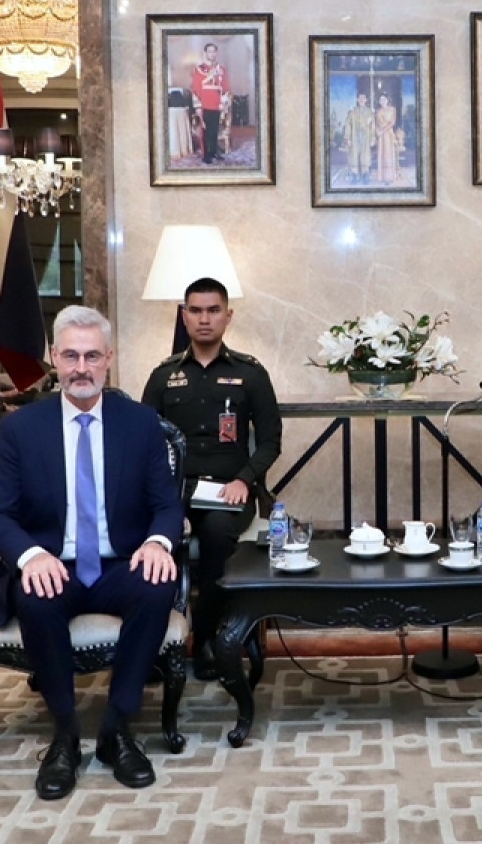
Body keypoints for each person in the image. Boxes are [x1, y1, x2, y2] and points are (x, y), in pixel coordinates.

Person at [0, 305, 182, 801]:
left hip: (120, 562)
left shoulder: (140, 424)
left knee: (158, 585)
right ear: (54, 357)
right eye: (71, 355)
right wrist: (30, 555)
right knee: (37, 596)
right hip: (53, 563)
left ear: (109, 358)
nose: (81, 368)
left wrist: (158, 542)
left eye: (92, 356)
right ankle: (65, 736)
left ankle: (117, 729)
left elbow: (166, 505)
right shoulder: (23, 429)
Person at [141, 277, 281, 681]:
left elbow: (270, 442)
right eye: (196, 311)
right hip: (174, 491)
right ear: (184, 316)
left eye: (213, 310)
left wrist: (244, 481)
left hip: (229, 490)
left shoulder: (250, 374)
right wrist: (166, 501)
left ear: (228, 316)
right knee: (153, 536)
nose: (205, 319)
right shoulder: (164, 375)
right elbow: (145, 443)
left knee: (218, 534)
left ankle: (204, 640)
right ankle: (153, 645)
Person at [190, 42, 229, 164]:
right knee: (206, 131)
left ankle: (214, 152)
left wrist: (223, 103)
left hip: (217, 104)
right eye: (210, 51)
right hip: (204, 104)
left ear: (216, 53)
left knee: (214, 130)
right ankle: (206, 155)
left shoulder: (221, 69)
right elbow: (196, 88)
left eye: (214, 51)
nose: (212, 54)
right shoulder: (199, 69)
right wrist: (198, 106)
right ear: (205, 53)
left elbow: (225, 87)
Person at [345, 91, 375, 182]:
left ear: (366, 100)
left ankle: (365, 175)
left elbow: (372, 126)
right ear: (357, 99)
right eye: (360, 98)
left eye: (363, 98)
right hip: (355, 136)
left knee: (365, 156)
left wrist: (373, 138)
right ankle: (354, 175)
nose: (361, 100)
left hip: (366, 137)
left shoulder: (370, 112)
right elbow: (348, 125)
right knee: (354, 155)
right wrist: (348, 138)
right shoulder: (352, 111)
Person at [374, 92, 400, 183]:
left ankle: (389, 177)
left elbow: (392, 123)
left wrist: (383, 130)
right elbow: (376, 123)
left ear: (387, 100)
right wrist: (377, 131)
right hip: (381, 136)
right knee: (381, 154)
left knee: (388, 154)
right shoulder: (378, 111)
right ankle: (382, 177)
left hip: (388, 134)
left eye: (384, 99)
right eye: (381, 100)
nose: (382, 101)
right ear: (379, 101)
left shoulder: (392, 109)